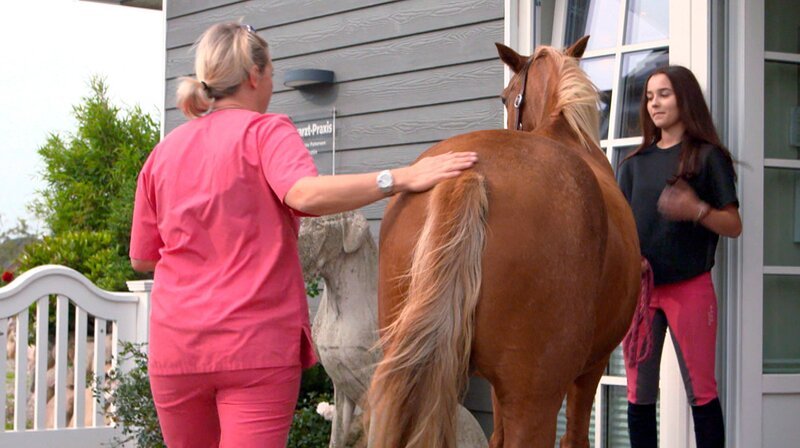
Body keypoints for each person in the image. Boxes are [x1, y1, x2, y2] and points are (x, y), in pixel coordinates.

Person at [129, 22, 477, 448]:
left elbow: (144, 259)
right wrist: (401, 177)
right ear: (254, 76)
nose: (273, 80)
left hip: (176, 351)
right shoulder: (265, 131)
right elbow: (304, 194)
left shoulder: (163, 153)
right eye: (271, 69)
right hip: (253, 349)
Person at [617, 65, 742, 448]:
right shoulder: (633, 165)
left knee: (702, 393)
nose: (654, 103)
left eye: (664, 94)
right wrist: (629, 259)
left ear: (684, 98)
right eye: (650, 96)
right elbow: (621, 230)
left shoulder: (708, 158)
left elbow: (734, 224)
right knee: (639, 396)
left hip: (690, 289)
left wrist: (696, 210)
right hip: (642, 294)